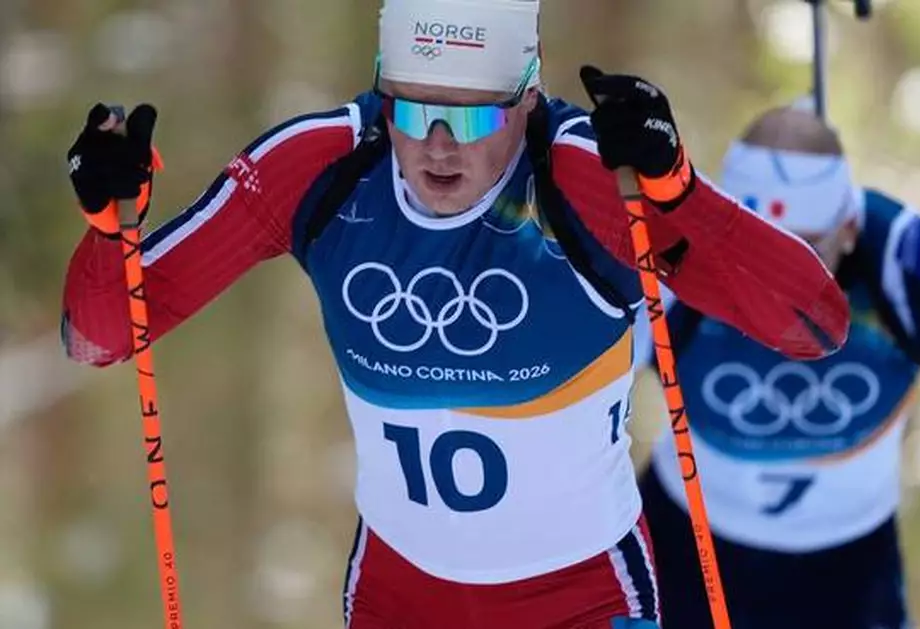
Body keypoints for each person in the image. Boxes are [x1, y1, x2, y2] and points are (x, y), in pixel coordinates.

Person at [58, 1, 853, 627]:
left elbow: (812, 323)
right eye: (412, 111)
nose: (439, 145)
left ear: (528, 99)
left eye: (472, 117)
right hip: (398, 595)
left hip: (579, 596)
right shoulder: (322, 170)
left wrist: (676, 191)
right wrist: (107, 224)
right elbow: (100, 334)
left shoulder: (582, 179)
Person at [631, 104, 920, 629]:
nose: (772, 280)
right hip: (689, 545)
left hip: (846, 569)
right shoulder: (672, 246)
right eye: (749, 249)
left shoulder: (913, 265)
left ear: (850, 227)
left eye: (803, 250)